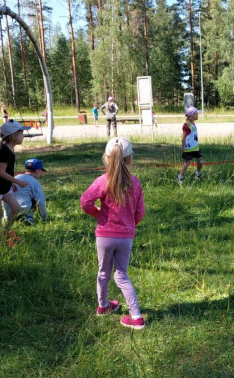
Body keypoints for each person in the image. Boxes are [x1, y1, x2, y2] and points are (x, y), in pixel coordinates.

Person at [80, 137, 146, 330]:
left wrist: (99, 214)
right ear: (129, 159)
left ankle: (103, 306)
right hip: (125, 237)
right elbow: (140, 212)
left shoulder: (102, 181)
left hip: (104, 236)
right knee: (121, 275)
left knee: (103, 273)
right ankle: (136, 316)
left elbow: (85, 202)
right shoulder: (135, 183)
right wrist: (130, 225)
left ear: (107, 158)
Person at [0, 120, 31, 246]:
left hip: (4, 187)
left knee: (16, 208)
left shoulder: (9, 150)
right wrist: (18, 182)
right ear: (13, 135)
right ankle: (1, 241)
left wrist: (11, 183)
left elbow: (7, 172)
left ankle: (6, 232)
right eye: (21, 133)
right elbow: (1, 172)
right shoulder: (4, 151)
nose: (23, 136)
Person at [5, 158, 49, 226]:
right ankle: (27, 217)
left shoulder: (15, 178)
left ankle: (11, 220)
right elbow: (41, 202)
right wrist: (44, 218)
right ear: (37, 171)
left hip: (8, 213)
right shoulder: (34, 182)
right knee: (35, 197)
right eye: (40, 172)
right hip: (20, 211)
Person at [177, 107, 203, 184]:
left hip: (195, 147)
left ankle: (198, 174)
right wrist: (182, 146)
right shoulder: (186, 125)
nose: (198, 115)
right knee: (187, 162)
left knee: (200, 160)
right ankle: (180, 177)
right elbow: (184, 137)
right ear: (192, 116)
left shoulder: (193, 124)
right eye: (196, 114)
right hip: (188, 148)